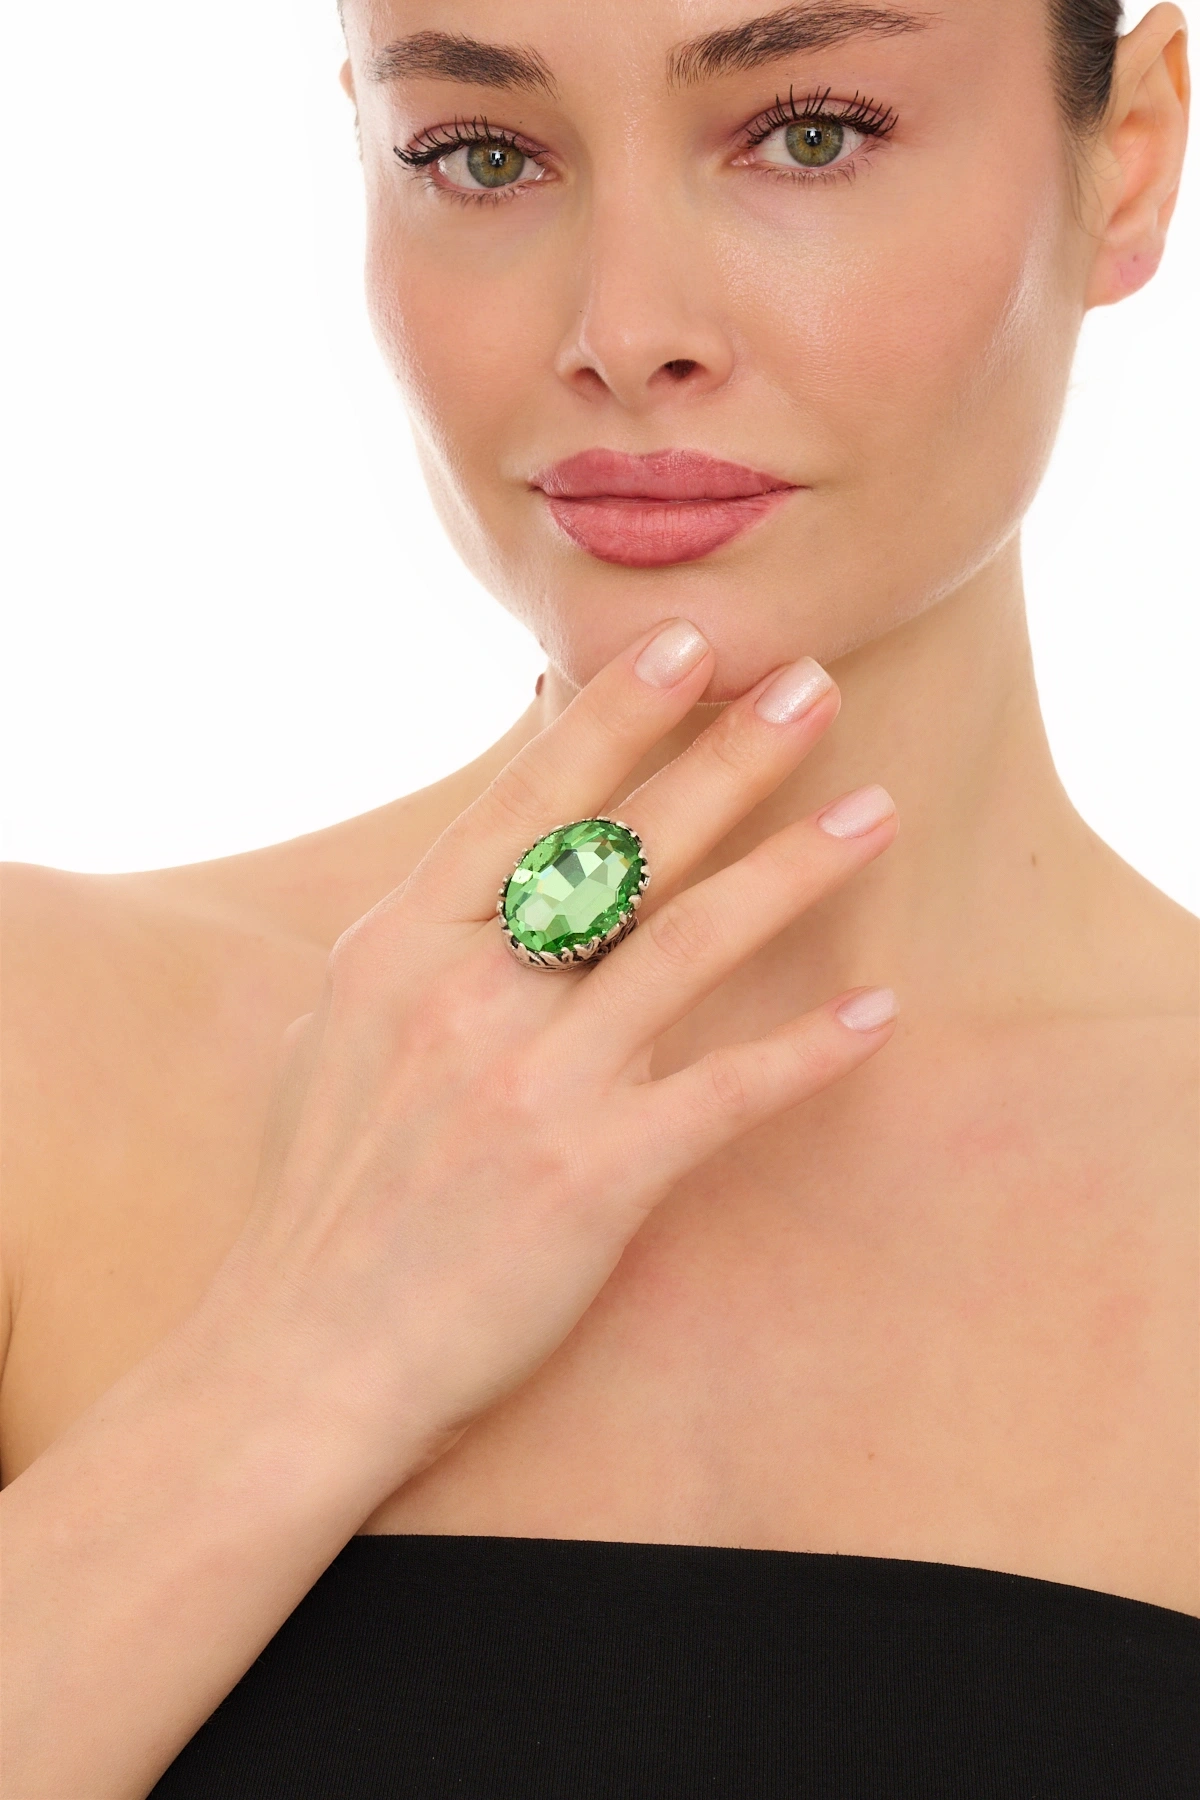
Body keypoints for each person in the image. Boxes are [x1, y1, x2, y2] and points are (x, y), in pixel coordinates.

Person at [1, 0, 1196, 1794]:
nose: (625, 332)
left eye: (811, 133)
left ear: (1132, 155)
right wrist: (316, 1354)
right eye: (481, 155)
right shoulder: (37, 1054)